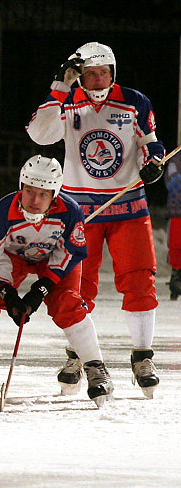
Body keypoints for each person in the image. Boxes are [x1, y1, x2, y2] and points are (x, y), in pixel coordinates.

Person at [26, 42, 164, 398]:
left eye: (103, 72)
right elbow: (40, 134)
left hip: (128, 207)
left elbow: (151, 142)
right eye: (90, 73)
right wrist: (58, 87)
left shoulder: (135, 101)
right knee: (78, 285)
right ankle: (77, 355)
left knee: (139, 279)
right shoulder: (68, 101)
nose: (98, 79)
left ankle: (142, 356)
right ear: (80, 76)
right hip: (81, 209)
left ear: (113, 73)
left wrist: (153, 164)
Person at [0, 156, 115, 407]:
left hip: (53, 258)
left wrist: (41, 289)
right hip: (11, 258)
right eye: (29, 191)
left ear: (55, 193)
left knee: (68, 303)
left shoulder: (70, 211)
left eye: (43, 194)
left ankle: (96, 367)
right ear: (21, 187)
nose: (34, 201)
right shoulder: (2, 211)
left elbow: (69, 252)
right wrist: (7, 293)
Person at [163, 155, 181, 299]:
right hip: (178, 212)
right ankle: (176, 275)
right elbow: (172, 183)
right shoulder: (176, 160)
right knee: (176, 246)